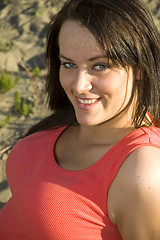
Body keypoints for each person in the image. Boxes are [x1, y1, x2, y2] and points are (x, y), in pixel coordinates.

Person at [0, 0, 160, 239]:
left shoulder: (143, 172)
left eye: (100, 66)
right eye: (69, 64)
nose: (78, 85)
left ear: (140, 67)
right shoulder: (75, 118)